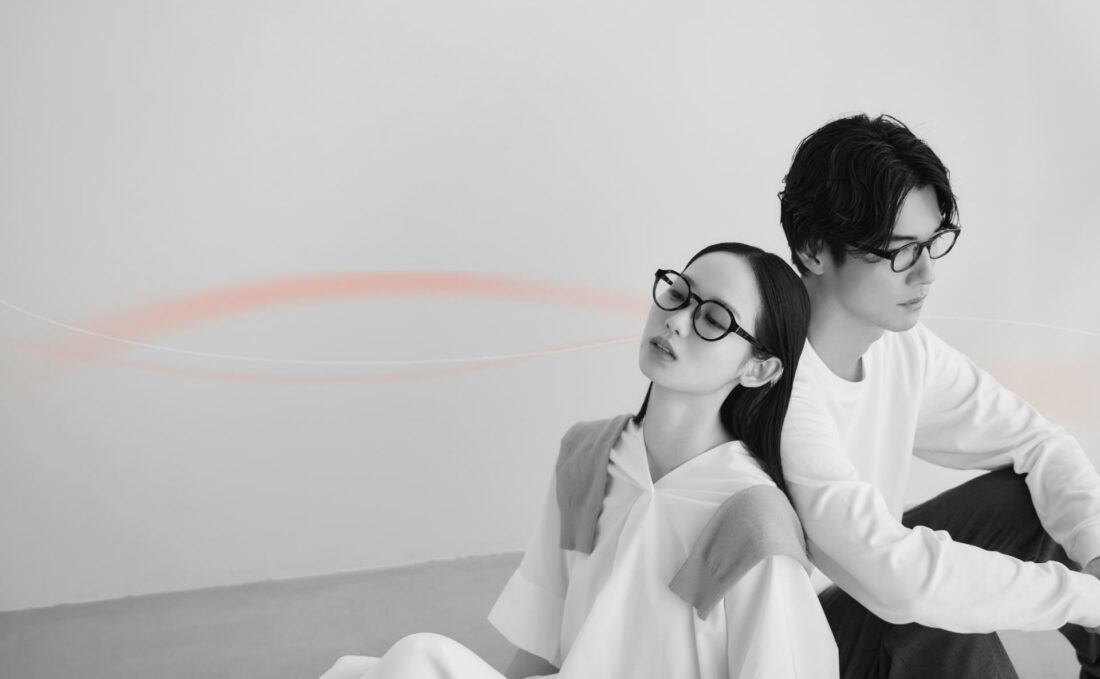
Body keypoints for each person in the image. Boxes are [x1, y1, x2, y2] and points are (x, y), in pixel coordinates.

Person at [318, 242, 838, 679]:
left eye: (713, 319)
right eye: (678, 294)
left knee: (414, 659)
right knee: (401, 666)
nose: (677, 320)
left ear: (759, 369)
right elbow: (541, 650)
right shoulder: (588, 456)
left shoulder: (753, 522)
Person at [776, 113, 1100, 678]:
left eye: (931, 244)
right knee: (933, 613)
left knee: (1037, 500)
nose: (925, 274)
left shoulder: (901, 347)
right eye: (901, 250)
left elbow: (1040, 444)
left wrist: (1097, 559)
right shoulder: (778, 383)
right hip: (794, 651)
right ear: (813, 249)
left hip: (866, 597)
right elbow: (899, 582)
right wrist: (1084, 598)